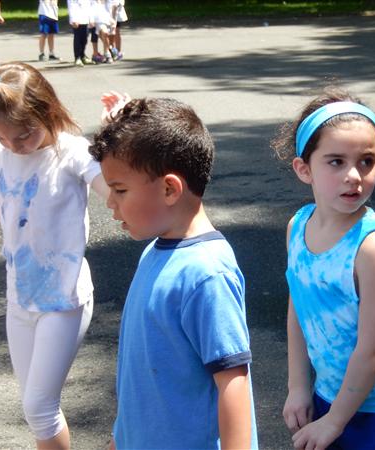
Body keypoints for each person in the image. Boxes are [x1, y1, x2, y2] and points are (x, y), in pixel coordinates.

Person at [272, 88, 375, 450]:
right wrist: (298, 386)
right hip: (330, 398)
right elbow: (299, 305)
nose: (354, 175)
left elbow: (372, 349)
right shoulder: (297, 227)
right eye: (335, 161)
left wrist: (334, 421)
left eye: (366, 161)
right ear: (304, 169)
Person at [90, 92, 258, 449]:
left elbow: (233, 382)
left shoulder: (206, 273)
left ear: (169, 189)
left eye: (119, 190)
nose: (109, 202)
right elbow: (145, 374)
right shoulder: (156, 251)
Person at [0, 62, 109, 450]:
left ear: (48, 110)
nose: (14, 144)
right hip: (19, 298)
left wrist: (118, 138)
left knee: (40, 407)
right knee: (35, 410)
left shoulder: (73, 152)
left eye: (24, 134)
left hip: (64, 300)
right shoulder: (0, 154)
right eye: (0, 135)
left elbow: (116, 193)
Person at [67, 0, 93, 66]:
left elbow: (90, 5)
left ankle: (82, 56)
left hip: (85, 18)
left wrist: (91, 19)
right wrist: (73, 19)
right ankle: (77, 58)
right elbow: (71, 6)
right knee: (78, 39)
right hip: (77, 19)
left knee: (84, 39)